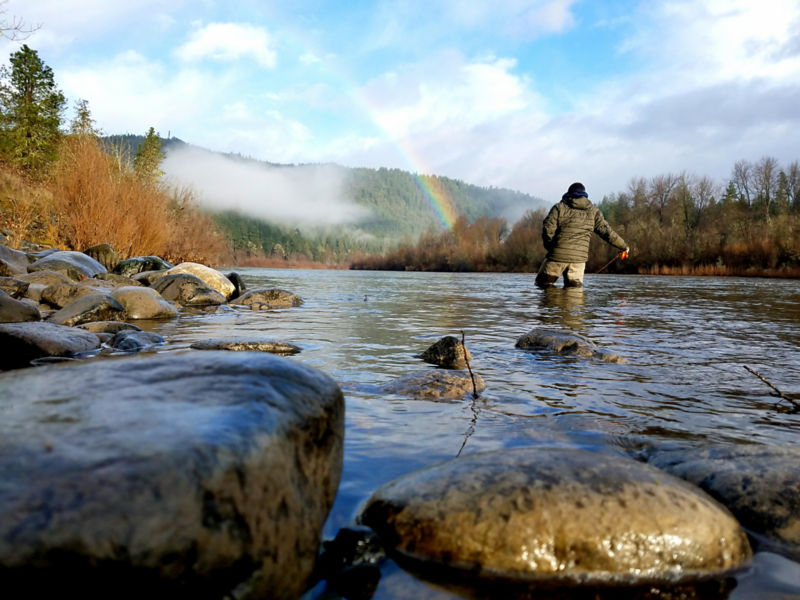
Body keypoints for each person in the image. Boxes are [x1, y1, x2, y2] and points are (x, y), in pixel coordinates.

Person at [535, 182, 628, 288]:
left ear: (568, 193)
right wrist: (623, 246)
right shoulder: (594, 212)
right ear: (585, 195)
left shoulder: (559, 208)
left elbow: (547, 229)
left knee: (543, 286)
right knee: (574, 295)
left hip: (557, 256)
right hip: (578, 261)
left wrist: (551, 248)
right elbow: (607, 232)